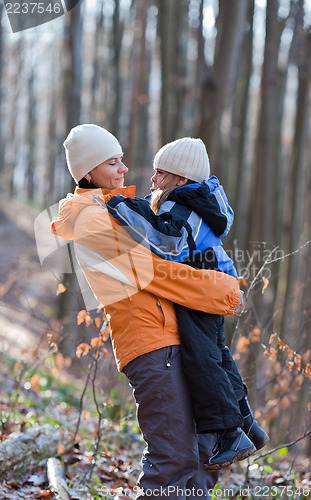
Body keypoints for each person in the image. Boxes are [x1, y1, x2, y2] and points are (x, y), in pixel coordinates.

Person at [51, 124, 243, 499]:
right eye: (112, 162)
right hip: (151, 343)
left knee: (204, 454)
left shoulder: (116, 208)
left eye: (122, 159)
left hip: (175, 338)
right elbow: (156, 274)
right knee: (173, 459)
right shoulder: (92, 219)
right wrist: (225, 290)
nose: (124, 168)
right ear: (88, 172)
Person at [105, 137, 269, 470]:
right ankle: (247, 422)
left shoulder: (183, 203)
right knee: (218, 355)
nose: (152, 180)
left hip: (204, 281)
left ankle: (229, 434)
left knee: (201, 356)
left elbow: (170, 244)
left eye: (160, 173)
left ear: (180, 179)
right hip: (212, 279)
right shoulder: (196, 198)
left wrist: (124, 207)